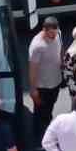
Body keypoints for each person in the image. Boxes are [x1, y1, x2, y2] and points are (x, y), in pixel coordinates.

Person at [28, 15, 63, 143]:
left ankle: (47, 132)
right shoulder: (37, 46)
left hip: (56, 82)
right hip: (43, 86)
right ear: (44, 29)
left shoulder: (58, 33)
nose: (53, 36)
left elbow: (60, 50)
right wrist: (33, 90)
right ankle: (38, 139)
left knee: (49, 109)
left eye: (55, 33)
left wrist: (62, 65)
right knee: (39, 113)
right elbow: (32, 69)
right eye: (51, 34)